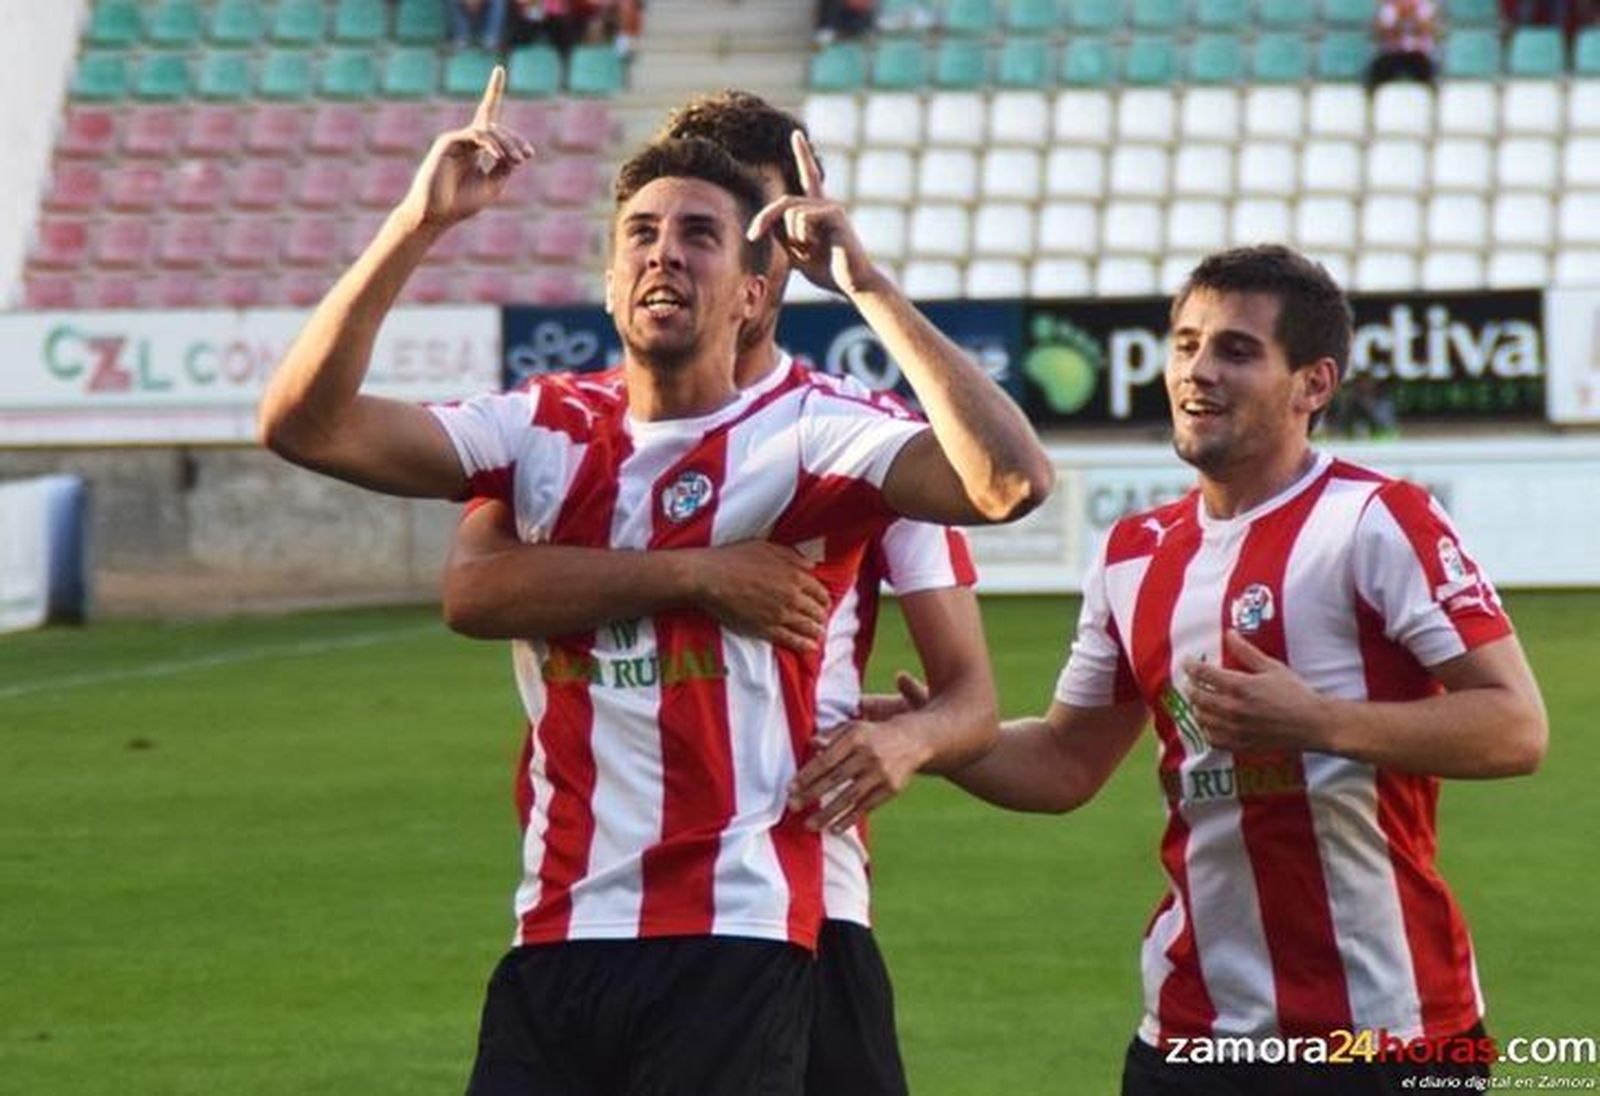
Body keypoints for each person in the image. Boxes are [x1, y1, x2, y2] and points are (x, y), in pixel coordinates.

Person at [256, 69, 1051, 1095]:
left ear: (767, 281)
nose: (665, 250)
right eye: (640, 229)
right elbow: (315, 437)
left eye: (712, 231)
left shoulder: (829, 433)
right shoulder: (541, 425)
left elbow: (1007, 487)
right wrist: (417, 222)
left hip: (761, 910)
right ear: (606, 271)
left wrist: (868, 283)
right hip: (560, 918)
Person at [441, 88, 999, 1096]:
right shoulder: (571, 425)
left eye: (770, 224)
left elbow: (969, 694)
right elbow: (474, 589)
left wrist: (910, 739)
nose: (760, 246)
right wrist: (691, 574)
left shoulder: (857, 438)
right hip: (596, 897)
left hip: (804, 890)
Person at [924, 245, 1547, 1095]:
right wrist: (933, 740)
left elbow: (1516, 726)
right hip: (1191, 1040)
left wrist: (1318, 722)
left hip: (1387, 1037)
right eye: (1184, 344)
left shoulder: (1376, 521)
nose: (1197, 372)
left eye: (1237, 351)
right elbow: (1067, 761)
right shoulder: (1132, 553)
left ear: (1314, 384)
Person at [1366, 0, 1438, 90]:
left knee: (1427, 67)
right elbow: (1382, 34)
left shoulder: (1424, 7)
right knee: (1378, 68)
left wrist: (1413, 16)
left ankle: (1433, 94)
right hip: (1393, 53)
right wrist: (1399, 18)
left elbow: (1428, 31)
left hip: (1417, 53)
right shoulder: (1388, 8)